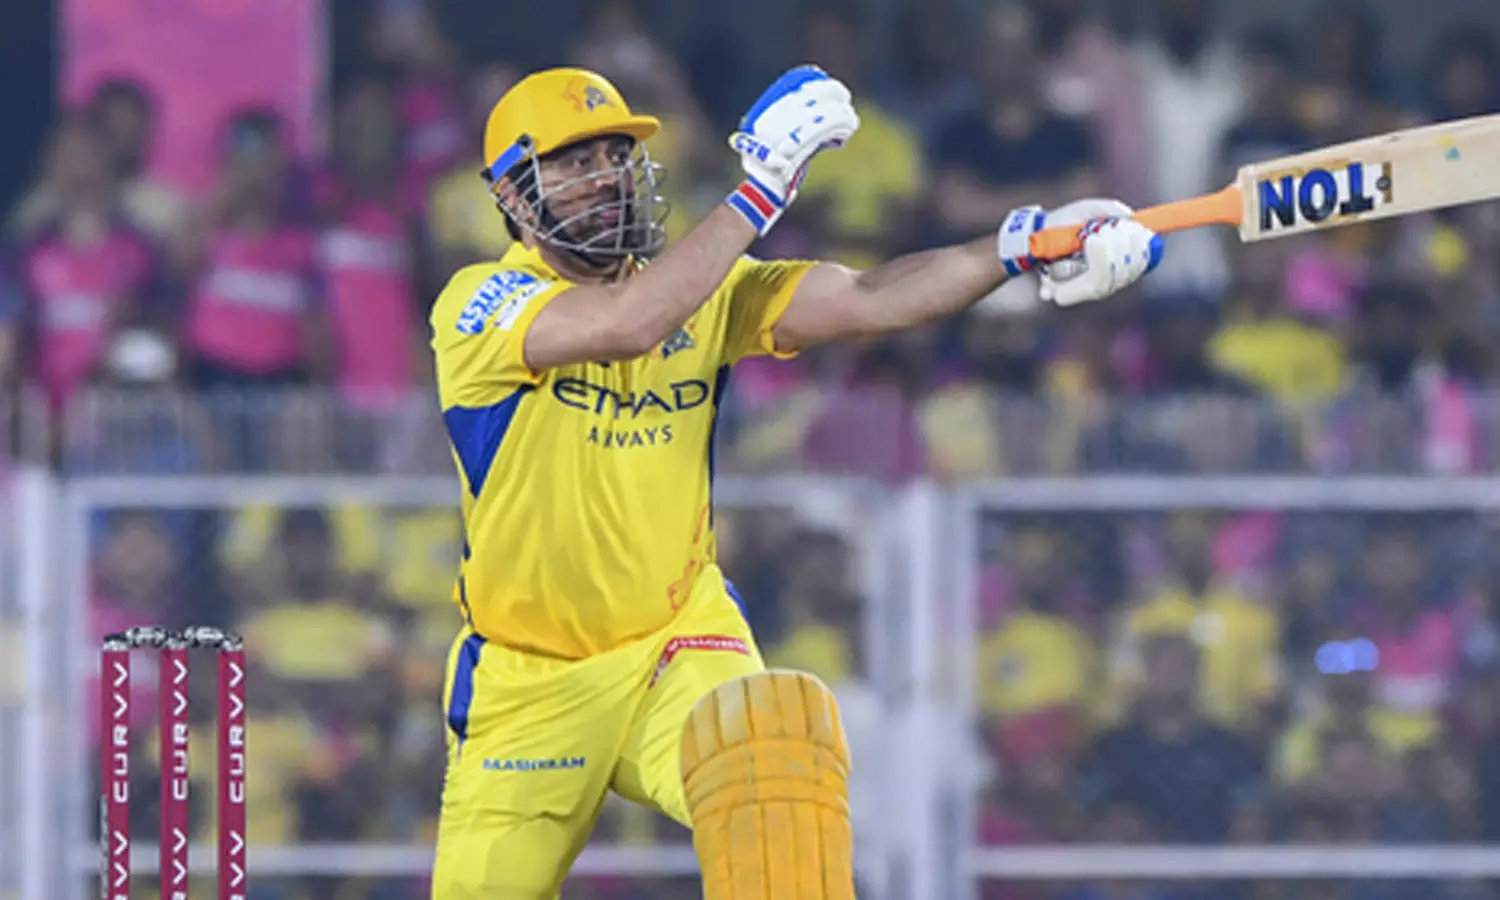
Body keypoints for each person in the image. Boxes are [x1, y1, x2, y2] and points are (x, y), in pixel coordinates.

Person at [426, 64, 1163, 899]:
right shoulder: (479, 303)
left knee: (774, 746)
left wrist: (1018, 247)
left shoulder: (708, 293)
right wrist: (759, 192)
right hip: (528, 680)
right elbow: (627, 325)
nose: (603, 176)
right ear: (513, 194)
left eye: (614, 156)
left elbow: (872, 296)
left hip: (674, 640)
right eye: (572, 162)